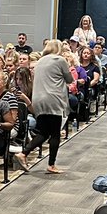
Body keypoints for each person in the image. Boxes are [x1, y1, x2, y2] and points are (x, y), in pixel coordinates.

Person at [22, 40, 73, 174]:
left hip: (38, 99)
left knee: (44, 132)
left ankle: (23, 153)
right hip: (53, 99)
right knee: (55, 133)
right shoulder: (60, 60)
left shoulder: (40, 61)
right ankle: (51, 164)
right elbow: (70, 80)